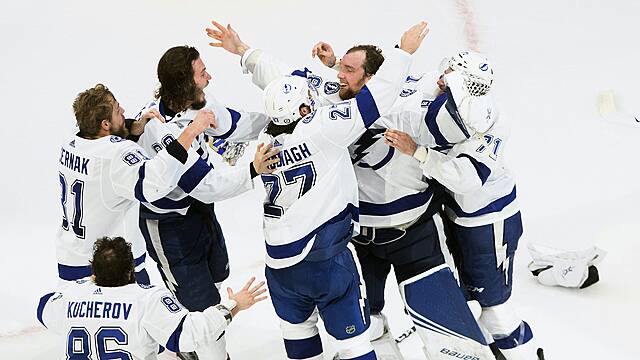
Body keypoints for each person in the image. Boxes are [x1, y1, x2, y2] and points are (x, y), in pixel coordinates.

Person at [209, 24, 495, 358]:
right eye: (339, 67)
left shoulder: (407, 103)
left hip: (410, 233)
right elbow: (285, 78)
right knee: (364, 326)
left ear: (372, 78)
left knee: (442, 322)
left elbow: (453, 110)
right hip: (357, 241)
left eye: (347, 69)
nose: (337, 76)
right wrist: (243, 48)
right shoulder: (327, 106)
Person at [384, 50, 545, 359]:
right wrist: (341, 65)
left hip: (488, 219)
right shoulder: (441, 85)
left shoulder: (487, 120)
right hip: (457, 213)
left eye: (452, 72)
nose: (443, 74)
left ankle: (521, 353)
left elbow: (467, 180)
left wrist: (416, 151)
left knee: (494, 306)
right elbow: (400, 83)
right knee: (467, 294)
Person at [133, 46, 280, 360]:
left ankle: (195, 332)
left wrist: (280, 119)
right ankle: (200, 350)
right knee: (202, 299)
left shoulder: (197, 101)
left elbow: (237, 124)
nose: (209, 77)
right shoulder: (163, 130)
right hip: (169, 226)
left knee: (217, 271)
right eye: (202, 74)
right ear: (186, 84)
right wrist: (253, 169)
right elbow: (206, 186)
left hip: (199, 212)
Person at [56, 83, 216, 285]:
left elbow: (106, 145)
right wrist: (191, 131)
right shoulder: (117, 154)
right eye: (117, 110)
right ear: (105, 124)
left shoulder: (71, 141)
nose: (123, 111)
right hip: (111, 266)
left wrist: (133, 128)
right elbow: (156, 183)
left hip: (70, 257)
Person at [37, 236, 267, 360]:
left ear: (93, 272)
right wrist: (233, 305)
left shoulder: (71, 296)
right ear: (131, 271)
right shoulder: (146, 300)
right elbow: (189, 335)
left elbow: (43, 307)